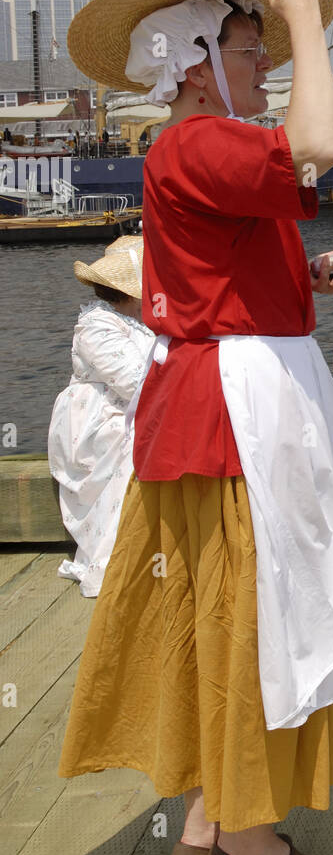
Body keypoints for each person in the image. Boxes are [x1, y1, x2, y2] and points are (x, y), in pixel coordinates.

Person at [60, 0, 333, 855]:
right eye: (253, 52)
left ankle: (208, 827)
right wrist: (304, 14)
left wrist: (302, 284)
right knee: (262, 614)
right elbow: (319, 144)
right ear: (202, 64)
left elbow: (220, 270)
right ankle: (248, 845)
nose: (268, 68)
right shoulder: (202, 138)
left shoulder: (191, 148)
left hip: (222, 399)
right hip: (236, 415)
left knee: (228, 613)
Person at [48, 236, 155, 599]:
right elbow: (134, 381)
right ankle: (129, 555)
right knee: (136, 438)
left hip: (132, 405)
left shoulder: (145, 318)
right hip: (96, 419)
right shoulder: (97, 326)